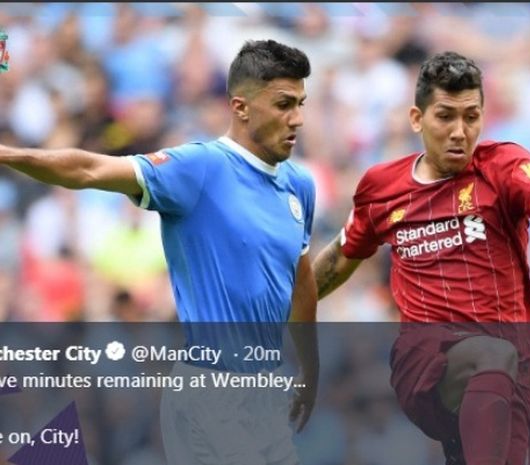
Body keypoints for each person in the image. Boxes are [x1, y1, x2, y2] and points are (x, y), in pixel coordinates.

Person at [0, 39, 318, 464]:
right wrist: (7, 153)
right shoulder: (199, 168)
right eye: (283, 104)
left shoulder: (300, 186)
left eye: (300, 103)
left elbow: (301, 281)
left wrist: (310, 370)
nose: (297, 118)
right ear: (241, 107)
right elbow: (88, 168)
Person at [312, 51, 530, 465]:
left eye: (471, 116)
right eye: (446, 116)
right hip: (426, 360)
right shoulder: (382, 187)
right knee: (491, 354)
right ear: (417, 119)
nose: (460, 131)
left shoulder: (505, 165)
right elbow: (339, 258)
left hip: (506, 377)